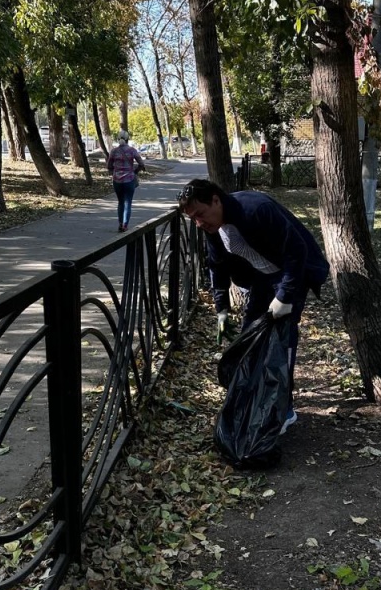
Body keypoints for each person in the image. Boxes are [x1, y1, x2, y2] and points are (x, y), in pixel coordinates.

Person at [177, 178, 329, 432]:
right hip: (262, 276)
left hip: (293, 272)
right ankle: (256, 400)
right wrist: (221, 309)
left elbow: (296, 251)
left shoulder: (255, 210)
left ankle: (283, 409)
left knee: (281, 340)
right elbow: (217, 266)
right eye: (193, 219)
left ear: (216, 199)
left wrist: (284, 297)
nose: (199, 223)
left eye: (201, 214)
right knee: (251, 335)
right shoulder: (212, 228)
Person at [107, 130, 146, 232]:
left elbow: (109, 166)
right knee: (128, 202)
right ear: (128, 139)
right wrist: (135, 172)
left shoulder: (113, 151)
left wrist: (115, 173)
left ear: (118, 139)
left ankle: (120, 223)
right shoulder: (132, 150)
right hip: (129, 180)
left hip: (117, 181)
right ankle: (125, 225)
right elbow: (141, 164)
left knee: (120, 202)